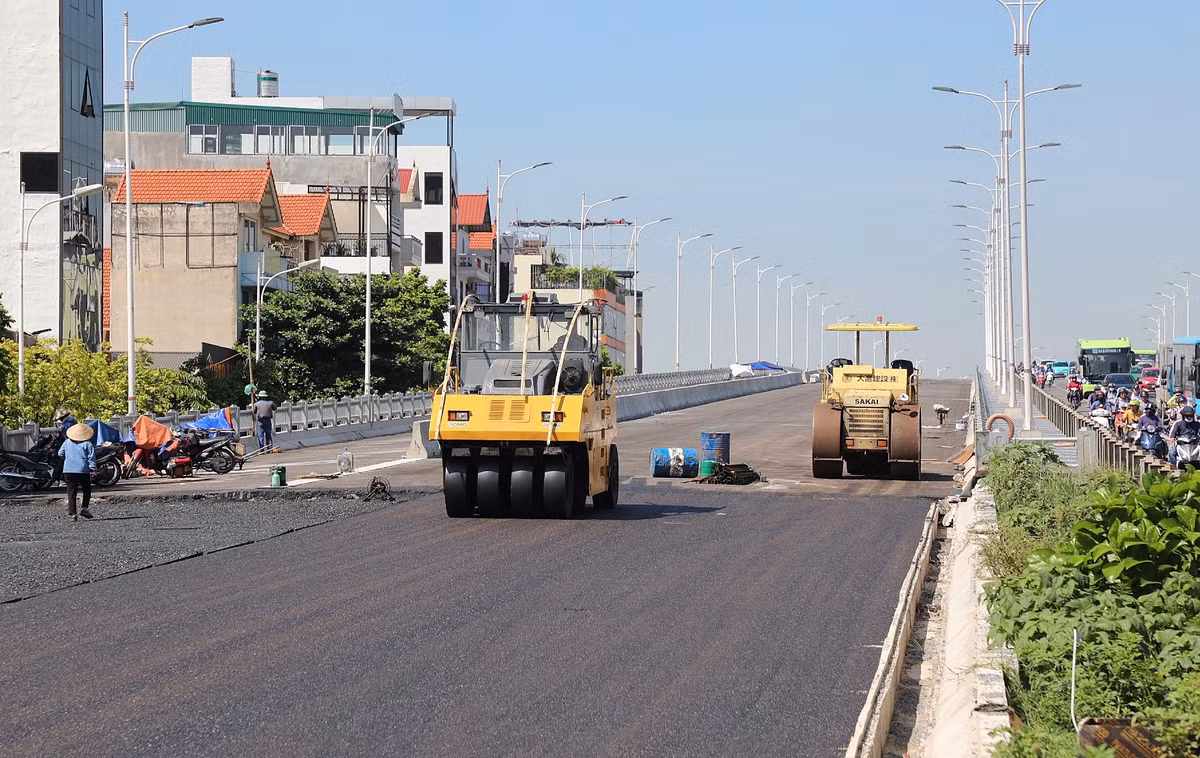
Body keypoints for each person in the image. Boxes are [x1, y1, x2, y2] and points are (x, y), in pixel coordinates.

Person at [58, 423, 97, 521]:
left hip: (68, 470)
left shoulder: (67, 442)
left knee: (71, 492)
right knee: (86, 489)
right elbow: (91, 458)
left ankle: (73, 514)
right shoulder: (87, 444)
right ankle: (84, 508)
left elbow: (60, 453)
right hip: (82, 470)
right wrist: (93, 469)